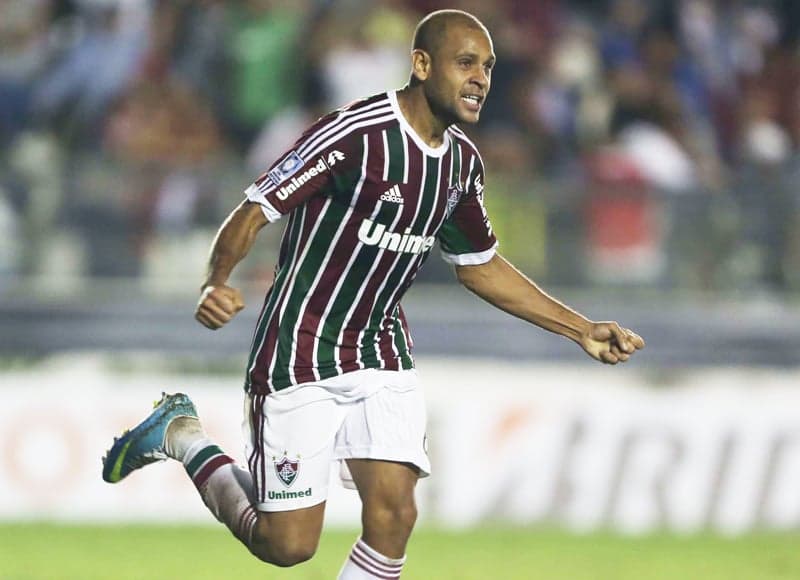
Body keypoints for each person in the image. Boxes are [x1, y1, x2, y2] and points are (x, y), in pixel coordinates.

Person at [102, 9, 644, 578]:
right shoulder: (355, 135)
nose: (481, 78)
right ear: (421, 64)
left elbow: (480, 266)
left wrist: (581, 328)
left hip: (380, 352)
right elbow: (255, 209)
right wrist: (218, 279)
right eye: (465, 63)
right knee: (287, 546)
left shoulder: (461, 165)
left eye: (487, 67)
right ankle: (182, 437)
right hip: (300, 350)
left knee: (394, 515)